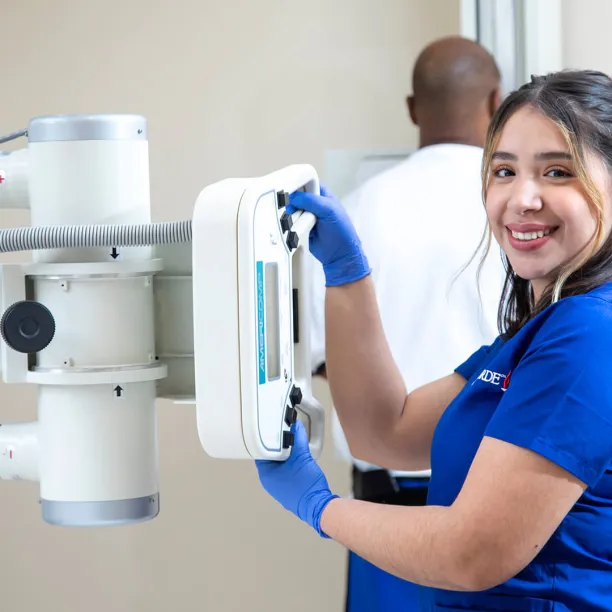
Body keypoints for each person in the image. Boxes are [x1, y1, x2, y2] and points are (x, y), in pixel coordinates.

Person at [257, 68, 612, 611]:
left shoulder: (588, 335)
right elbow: (388, 432)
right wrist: (348, 275)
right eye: (503, 171)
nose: (522, 198)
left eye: (557, 172)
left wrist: (319, 507)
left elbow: (472, 553)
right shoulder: (534, 336)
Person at [308, 36, 505, 612]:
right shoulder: (525, 214)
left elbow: (321, 361)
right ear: (497, 101)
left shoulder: (351, 214)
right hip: (506, 510)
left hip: (385, 523)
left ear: (413, 108)